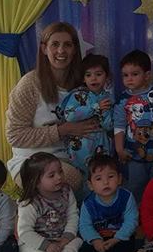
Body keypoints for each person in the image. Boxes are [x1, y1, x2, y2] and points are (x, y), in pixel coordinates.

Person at [6, 22, 98, 192]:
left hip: (72, 155)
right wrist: (63, 130)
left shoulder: (83, 83)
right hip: (32, 159)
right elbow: (15, 135)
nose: (61, 51)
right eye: (55, 44)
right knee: (70, 179)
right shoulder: (30, 84)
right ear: (44, 49)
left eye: (67, 45)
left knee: (102, 175)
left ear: (75, 49)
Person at [0, 153, 83, 252]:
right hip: (33, 242)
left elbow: (73, 214)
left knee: (78, 242)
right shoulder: (30, 203)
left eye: (60, 171)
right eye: (52, 175)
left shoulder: (66, 191)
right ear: (37, 181)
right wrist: (46, 246)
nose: (59, 177)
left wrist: (67, 237)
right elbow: (25, 232)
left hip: (60, 240)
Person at [51, 154, 139, 252]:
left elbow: (132, 221)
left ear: (119, 179)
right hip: (97, 238)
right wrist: (95, 240)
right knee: (86, 250)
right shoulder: (89, 203)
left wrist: (117, 238)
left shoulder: (126, 197)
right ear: (90, 185)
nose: (105, 182)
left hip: (120, 238)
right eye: (98, 179)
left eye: (111, 177)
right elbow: (85, 225)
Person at [112, 50, 153, 201]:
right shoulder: (123, 99)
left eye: (135, 74)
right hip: (133, 154)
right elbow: (119, 125)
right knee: (135, 187)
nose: (129, 79)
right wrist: (119, 149)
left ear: (147, 75)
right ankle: (135, 212)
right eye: (125, 75)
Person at [59, 54, 114, 186]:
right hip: (80, 149)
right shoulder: (78, 95)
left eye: (98, 74)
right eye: (88, 75)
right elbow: (69, 115)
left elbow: (109, 126)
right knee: (82, 182)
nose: (93, 78)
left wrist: (104, 112)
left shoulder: (108, 98)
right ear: (83, 78)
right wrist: (95, 107)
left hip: (102, 148)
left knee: (102, 180)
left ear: (107, 76)